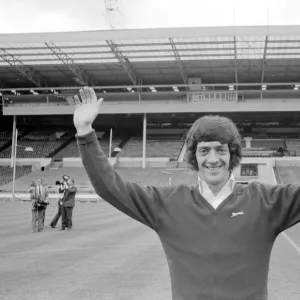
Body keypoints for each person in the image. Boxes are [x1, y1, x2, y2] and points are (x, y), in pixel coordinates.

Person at [72, 86, 300, 300]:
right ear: (193, 157)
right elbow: (110, 187)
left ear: (233, 154)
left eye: (221, 149)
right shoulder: (167, 203)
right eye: (204, 151)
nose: (213, 159)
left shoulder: (266, 201)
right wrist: (85, 132)